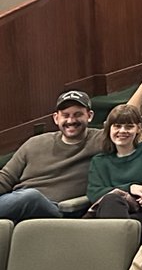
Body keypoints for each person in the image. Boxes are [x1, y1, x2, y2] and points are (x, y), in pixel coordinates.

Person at [0, 90, 106, 221]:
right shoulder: (35, 142)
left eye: (78, 114)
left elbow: (125, 115)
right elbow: (5, 178)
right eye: (65, 115)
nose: (71, 120)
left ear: (89, 116)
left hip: (56, 210)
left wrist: (140, 86)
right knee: (27, 197)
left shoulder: (100, 140)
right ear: (56, 118)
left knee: (31, 197)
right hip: (18, 201)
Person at [86, 105, 142, 238]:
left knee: (130, 223)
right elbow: (94, 194)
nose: (122, 131)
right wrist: (131, 188)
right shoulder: (99, 161)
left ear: (138, 128)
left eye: (129, 126)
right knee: (111, 200)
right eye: (117, 126)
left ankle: (116, 250)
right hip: (114, 212)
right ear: (109, 128)